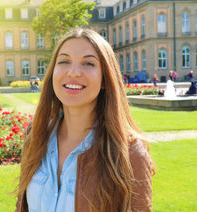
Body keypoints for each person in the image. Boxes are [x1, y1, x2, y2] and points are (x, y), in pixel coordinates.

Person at [15, 28, 154, 212]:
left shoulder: (130, 154)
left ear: (105, 79)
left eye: (88, 63)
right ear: (52, 73)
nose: (73, 73)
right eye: (64, 61)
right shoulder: (36, 135)